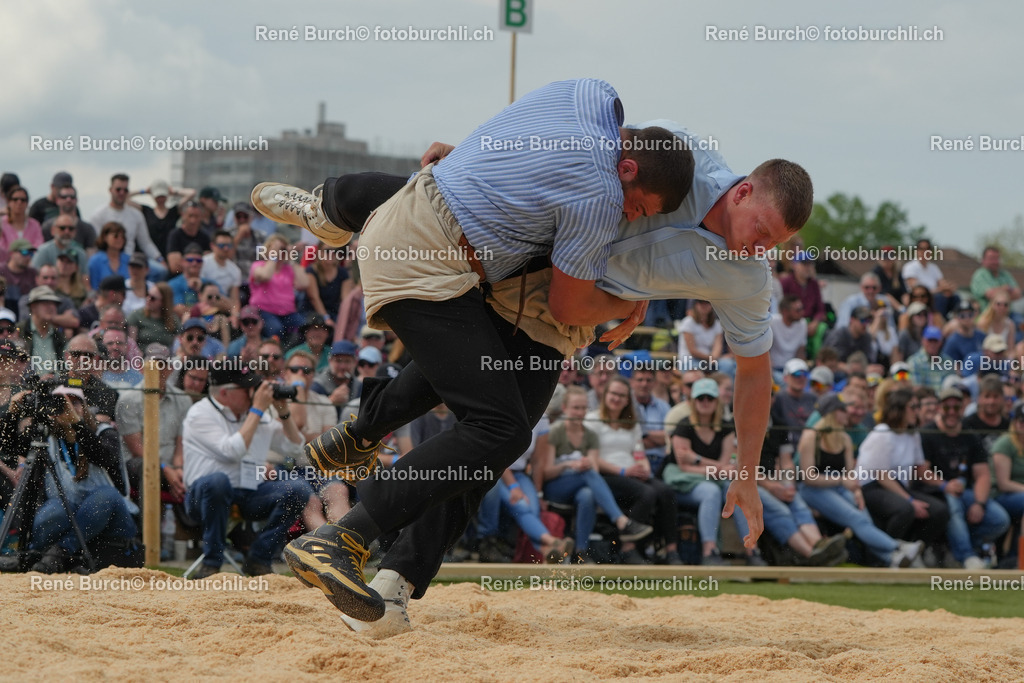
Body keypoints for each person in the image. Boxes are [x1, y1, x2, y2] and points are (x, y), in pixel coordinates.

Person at [258, 107, 807, 626]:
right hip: (531, 252)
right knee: (439, 209)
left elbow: (756, 376)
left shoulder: (749, 279)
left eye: (776, 244)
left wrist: (748, 473)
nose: (762, 249)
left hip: (568, 313)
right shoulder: (679, 151)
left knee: (495, 442)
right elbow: (573, 148)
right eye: (761, 231)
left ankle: (394, 577)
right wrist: (476, 156)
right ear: (741, 191)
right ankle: (331, 206)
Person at [182, 366, 313, 578]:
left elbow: (295, 447)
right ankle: (211, 564)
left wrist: (283, 413)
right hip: (203, 497)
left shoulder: (254, 413)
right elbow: (232, 451)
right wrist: (257, 410)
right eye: (247, 388)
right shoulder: (199, 414)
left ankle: (259, 559)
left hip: (247, 493)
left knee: (297, 488)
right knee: (218, 482)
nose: (254, 393)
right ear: (225, 393)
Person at [0, 382, 136, 573]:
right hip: (68, 512)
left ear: (85, 407)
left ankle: (61, 551)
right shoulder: (45, 436)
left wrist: (77, 424)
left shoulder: (105, 432)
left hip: (110, 515)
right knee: (57, 508)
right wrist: (13, 415)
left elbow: (103, 456)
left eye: (75, 403)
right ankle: (36, 556)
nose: (68, 408)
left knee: (106, 496)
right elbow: (9, 446)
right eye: (62, 404)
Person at [797, 393, 923, 568]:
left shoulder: (845, 439)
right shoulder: (811, 437)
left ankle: (891, 559)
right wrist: (842, 482)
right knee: (855, 518)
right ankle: (898, 546)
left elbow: (851, 475)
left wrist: (857, 492)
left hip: (840, 489)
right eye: (843, 409)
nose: (847, 412)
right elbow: (808, 478)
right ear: (833, 412)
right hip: (814, 490)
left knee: (864, 518)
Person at [540, 386, 653, 564]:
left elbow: (594, 468)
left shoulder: (590, 435)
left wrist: (584, 465)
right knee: (588, 476)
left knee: (588, 494)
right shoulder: (556, 432)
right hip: (556, 487)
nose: (580, 412)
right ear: (565, 408)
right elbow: (545, 472)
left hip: (581, 486)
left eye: (583, 408)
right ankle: (622, 522)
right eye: (576, 408)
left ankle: (580, 551)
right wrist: (568, 465)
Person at [664, 378, 764, 565]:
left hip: (711, 477)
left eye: (709, 398)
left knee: (740, 490)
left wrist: (697, 459)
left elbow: (724, 466)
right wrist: (710, 467)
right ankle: (709, 552)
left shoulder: (726, 427)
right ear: (693, 401)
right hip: (681, 480)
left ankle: (753, 550)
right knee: (711, 492)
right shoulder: (684, 425)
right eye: (700, 398)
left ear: (717, 401)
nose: (705, 402)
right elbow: (685, 467)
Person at [587, 376, 680, 564]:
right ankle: (628, 549)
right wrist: (623, 471)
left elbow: (639, 452)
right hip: (605, 474)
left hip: (631, 471)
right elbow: (592, 458)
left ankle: (671, 550)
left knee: (666, 491)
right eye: (613, 393)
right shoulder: (592, 420)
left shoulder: (632, 423)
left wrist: (644, 468)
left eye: (622, 395)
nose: (617, 399)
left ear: (628, 400)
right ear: (605, 395)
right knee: (647, 493)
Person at [920, 386, 1010, 569]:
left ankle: (961, 547)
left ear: (963, 408)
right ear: (939, 408)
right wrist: (945, 485)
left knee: (999, 519)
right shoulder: (928, 433)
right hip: (935, 491)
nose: (951, 412)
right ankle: (967, 557)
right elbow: (922, 471)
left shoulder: (970, 435)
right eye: (947, 407)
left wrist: (979, 503)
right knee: (953, 506)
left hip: (965, 491)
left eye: (956, 407)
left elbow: (983, 474)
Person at [855, 386, 949, 552]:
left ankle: (914, 550)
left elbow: (920, 469)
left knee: (939, 511)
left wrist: (945, 485)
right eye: (912, 407)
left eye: (917, 407)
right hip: (871, 487)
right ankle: (886, 555)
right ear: (899, 408)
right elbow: (881, 476)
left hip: (897, 486)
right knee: (905, 509)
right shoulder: (882, 433)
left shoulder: (912, 434)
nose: (917, 411)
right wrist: (910, 501)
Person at [118, 343, 192, 504]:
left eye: (162, 365)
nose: (157, 370)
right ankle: (145, 526)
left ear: (170, 368)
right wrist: (165, 469)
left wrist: (178, 469)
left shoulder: (183, 399)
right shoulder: (127, 400)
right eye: (152, 365)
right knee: (148, 468)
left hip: (172, 464)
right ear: (142, 368)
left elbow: (181, 443)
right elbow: (137, 449)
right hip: (139, 463)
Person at [90, 173, 167, 278]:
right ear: (110, 190)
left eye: (125, 190)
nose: (122, 193)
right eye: (118, 189)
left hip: (131, 259)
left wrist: (159, 259)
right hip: (107, 259)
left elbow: (145, 243)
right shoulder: (98, 214)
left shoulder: (136, 215)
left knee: (161, 271)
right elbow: (96, 244)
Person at [991, 401, 1024, 567]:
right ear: (1015, 422)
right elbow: (1003, 483)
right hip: (1000, 495)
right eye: (1021, 421)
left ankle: (1014, 556)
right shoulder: (1005, 443)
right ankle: (1020, 561)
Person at [0, 186, 43, 266]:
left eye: (23, 200)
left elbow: (38, 247)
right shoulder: (1, 223)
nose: (19, 202)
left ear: (27, 203)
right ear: (9, 202)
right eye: (15, 199)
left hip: (29, 266)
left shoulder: (35, 224)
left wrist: (24, 256)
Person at [128, 282, 180, 348]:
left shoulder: (173, 320)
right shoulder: (136, 316)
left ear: (163, 302)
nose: (148, 299)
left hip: (166, 357)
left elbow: (178, 346)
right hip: (142, 357)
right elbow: (132, 345)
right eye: (147, 295)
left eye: (153, 298)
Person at [970, 245, 1021, 312]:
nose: (995, 262)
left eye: (997, 258)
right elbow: (991, 295)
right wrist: (1006, 289)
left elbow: (1018, 294)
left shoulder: (1005, 274)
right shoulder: (980, 275)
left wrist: (999, 292)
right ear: (983, 260)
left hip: (1008, 314)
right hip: (987, 315)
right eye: (991, 258)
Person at [87, 222, 130, 287]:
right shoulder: (95, 261)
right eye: (116, 236)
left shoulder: (129, 260)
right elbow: (93, 286)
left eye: (122, 236)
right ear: (105, 237)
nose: (120, 239)